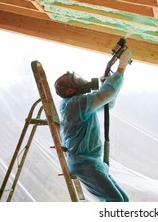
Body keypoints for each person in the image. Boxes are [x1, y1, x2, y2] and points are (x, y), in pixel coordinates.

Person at [54, 48, 132, 202]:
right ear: (69, 90)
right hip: (85, 163)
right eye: (74, 81)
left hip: (90, 162)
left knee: (123, 200)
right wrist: (121, 67)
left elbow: (107, 103)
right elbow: (107, 94)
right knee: (116, 202)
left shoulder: (77, 103)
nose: (79, 80)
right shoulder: (75, 104)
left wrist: (106, 84)